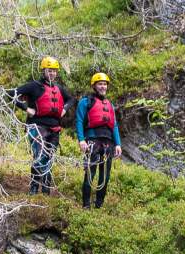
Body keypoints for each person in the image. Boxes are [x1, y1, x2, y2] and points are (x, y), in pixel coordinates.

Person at [13, 57, 70, 195]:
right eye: (49, 71)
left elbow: (71, 99)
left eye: (54, 71)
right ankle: (34, 189)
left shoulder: (59, 88)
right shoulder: (34, 86)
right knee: (39, 157)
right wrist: (26, 108)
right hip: (37, 127)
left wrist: (65, 108)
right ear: (43, 70)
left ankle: (45, 191)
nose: (52, 74)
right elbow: (11, 93)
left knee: (49, 157)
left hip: (54, 129)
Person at [75, 73, 121, 209]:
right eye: (100, 84)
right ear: (94, 86)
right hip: (92, 141)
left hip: (108, 143)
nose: (103, 86)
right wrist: (81, 140)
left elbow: (114, 125)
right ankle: (86, 205)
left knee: (105, 177)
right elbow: (79, 121)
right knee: (90, 174)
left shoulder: (110, 105)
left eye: (105, 84)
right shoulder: (85, 102)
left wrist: (118, 144)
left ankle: (99, 205)